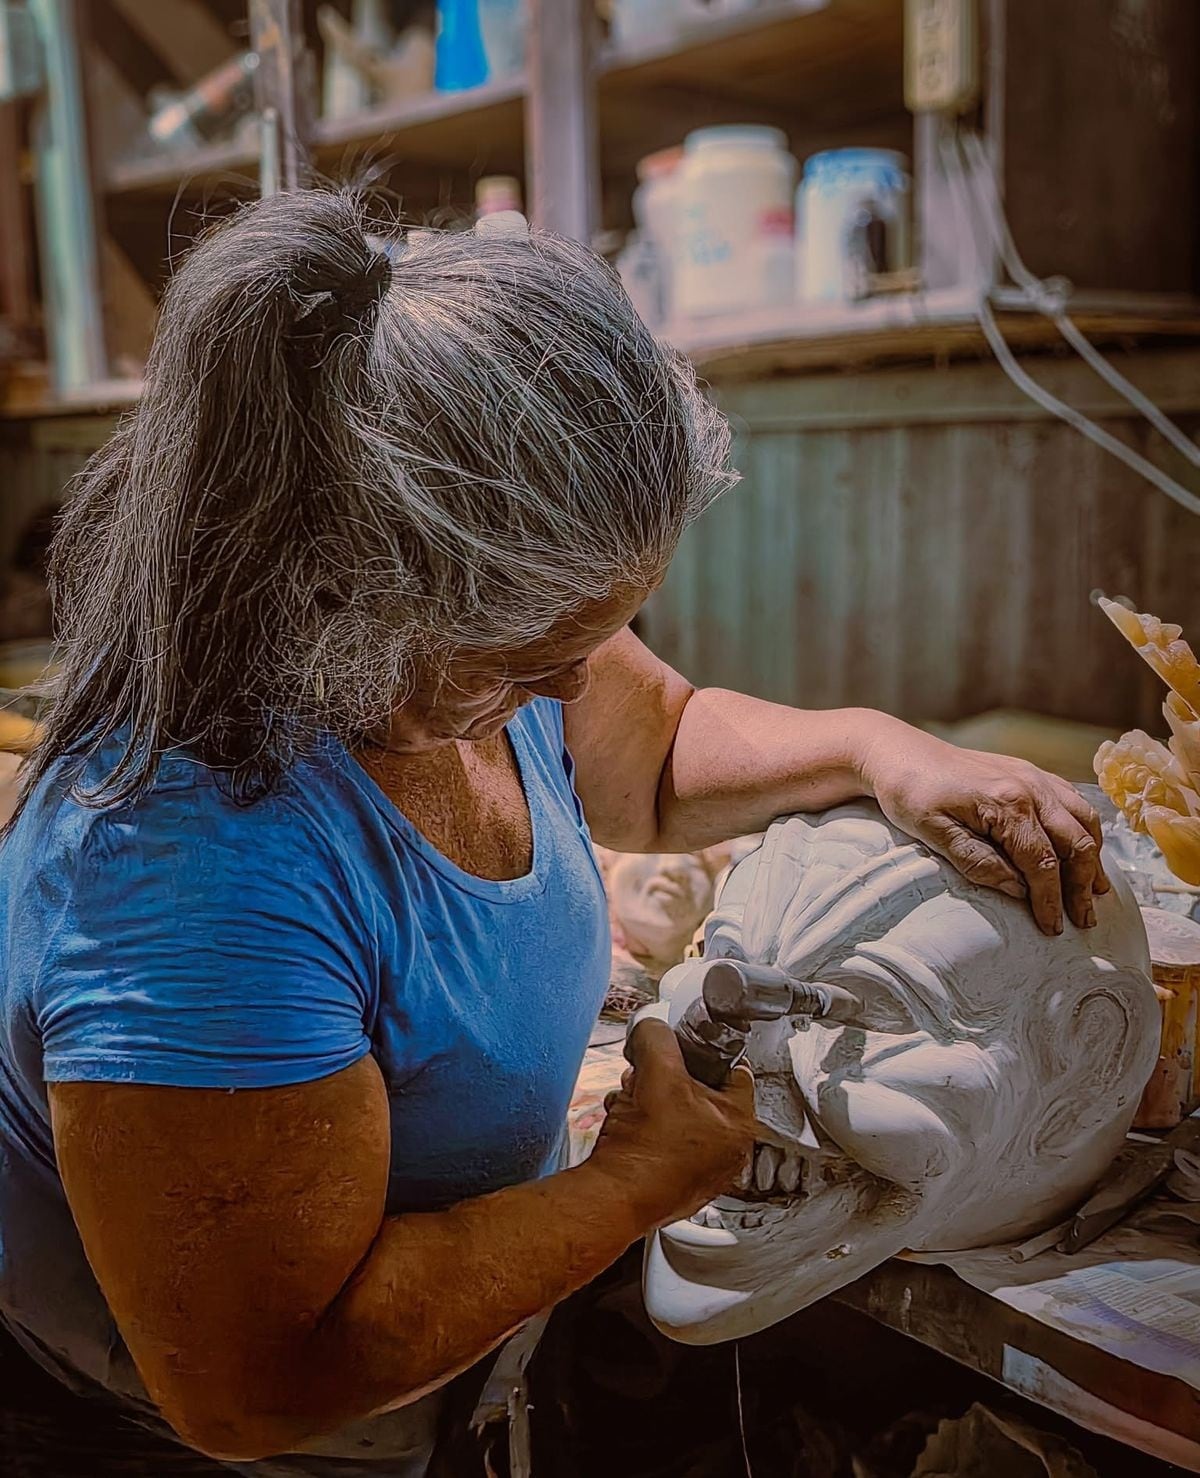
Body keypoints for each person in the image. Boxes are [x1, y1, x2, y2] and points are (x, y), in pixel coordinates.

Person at [0, 190, 1108, 1477]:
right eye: (532, 662)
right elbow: (259, 1379)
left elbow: (652, 741)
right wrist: (627, 1184)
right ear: (341, 597)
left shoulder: (462, 629)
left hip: (446, 1388)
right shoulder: (191, 869)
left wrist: (875, 744)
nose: (576, 691)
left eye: (593, 639)